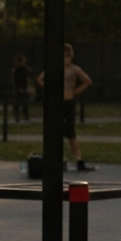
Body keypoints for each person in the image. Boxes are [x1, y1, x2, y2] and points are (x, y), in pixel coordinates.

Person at [37, 43, 94, 171]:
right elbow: (40, 78)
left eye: (68, 57)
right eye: (64, 57)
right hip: (58, 103)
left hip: (68, 102)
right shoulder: (55, 68)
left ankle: (79, 159)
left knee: (71, 132)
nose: (66, 60)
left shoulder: (74, 69)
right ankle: (60, 159)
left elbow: (87, 81)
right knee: (57, 131)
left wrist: (76, 91)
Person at [11, 53, 31, 122]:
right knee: (17, 103)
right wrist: (20, 88)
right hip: (18, 87)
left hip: (24, 87)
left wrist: (25, 87)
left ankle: (26, 116)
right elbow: (17, 79)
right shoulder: (17, 69)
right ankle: (17, 116)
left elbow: (25, 79)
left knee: (24, 103)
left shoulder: (24, 69)